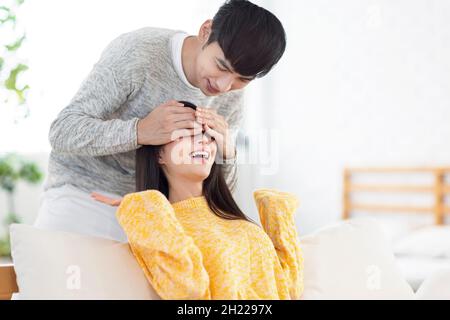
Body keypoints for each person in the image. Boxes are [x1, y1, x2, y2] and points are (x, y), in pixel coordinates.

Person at [34, 0, 287, 242]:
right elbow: (62, 131)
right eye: (221, 66)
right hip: (82, 197)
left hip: (155, 213)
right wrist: (140, 131)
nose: (224, 85)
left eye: (242, 78)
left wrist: (227, 153)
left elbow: (215, 187)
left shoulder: (231, 94)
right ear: (205, 31)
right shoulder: (140, 53)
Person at [91, 128, 304, 300]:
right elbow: (188, 291)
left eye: (208, 134)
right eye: (186, 133)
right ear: (159, 154)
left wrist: (276, 209)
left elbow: (289, 288)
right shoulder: (161, 224)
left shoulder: (235, 221)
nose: (203, 141)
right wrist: (144, 208)